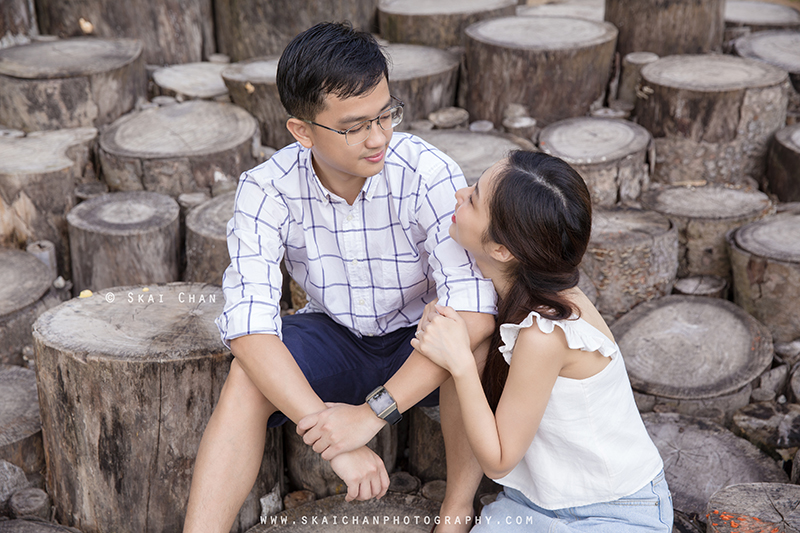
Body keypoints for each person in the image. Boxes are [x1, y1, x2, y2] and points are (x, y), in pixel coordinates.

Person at [182, 22, 496, 533]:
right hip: (336, 335)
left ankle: (456, 514)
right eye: (353, 127)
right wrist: (334, 442)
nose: (378, 138)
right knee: (246, 376)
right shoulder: (266, 189)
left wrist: (369, 418)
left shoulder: (425, 172)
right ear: (302, 131)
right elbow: (249, 327)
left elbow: (475, 308)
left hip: (420, 336)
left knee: (469, 344)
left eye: (386, 114)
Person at [411, 151, 673, 532]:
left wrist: (461, 364)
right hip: (532, 504)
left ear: (502, 250)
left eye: (473, 198)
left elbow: (499, 461)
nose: (458, 194)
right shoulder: (506, 287)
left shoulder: (545, 332)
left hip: (614, 511)